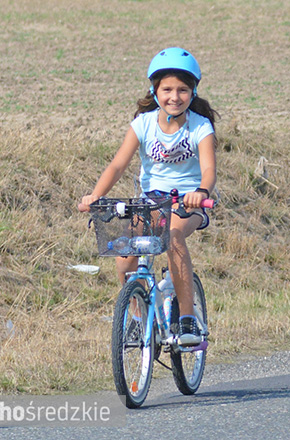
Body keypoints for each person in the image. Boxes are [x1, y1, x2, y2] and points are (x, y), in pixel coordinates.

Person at [78, 47, 218, 346]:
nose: (174, 96)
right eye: (167, 89)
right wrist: (95, 196)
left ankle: (187, 317)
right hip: (151, 201)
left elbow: (208, 170)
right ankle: (139, 319)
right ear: (155, 91)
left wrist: (201, 192)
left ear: (193, 93)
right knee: (124, 256)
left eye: (183, 90)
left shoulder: (200, 126)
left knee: (174, 237)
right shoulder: (143, 124)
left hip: (187, 202)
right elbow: (118, 165)